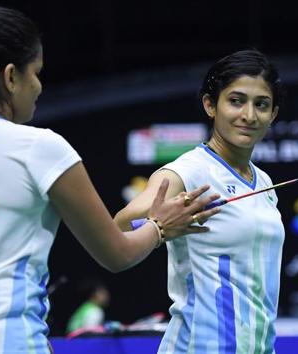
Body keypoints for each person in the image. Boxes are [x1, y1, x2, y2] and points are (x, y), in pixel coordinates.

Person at [0, 6, 221, 353]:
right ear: (11, 77)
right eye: (36, 73)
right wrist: (159, 226)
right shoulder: (39, 148)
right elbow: (116, 253)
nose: (39, 87)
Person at [114, 49, 286, 354]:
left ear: (272, 114)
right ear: (210, 105)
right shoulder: (189, 171)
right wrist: (158, 223)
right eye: (236, 101)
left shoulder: (264, 182)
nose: (249, 115)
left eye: (261, 105)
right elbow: (123, 224)